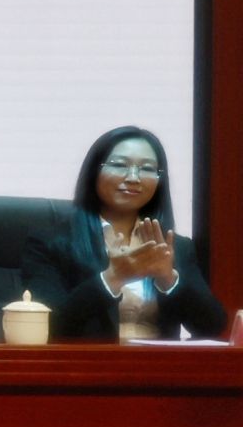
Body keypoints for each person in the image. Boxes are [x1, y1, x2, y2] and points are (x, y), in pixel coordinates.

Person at [20, 126, 226, 341]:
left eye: (147, 169)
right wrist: (112, 278)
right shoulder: (50, 243)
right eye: (119, 165)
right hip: (86, 361)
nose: (134, 178)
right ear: (93, 172)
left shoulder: (174, 246)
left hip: (160, 362)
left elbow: (212, 326)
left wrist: (169, 279)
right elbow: (46, 327)